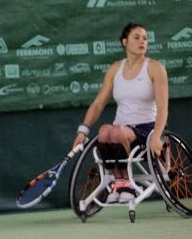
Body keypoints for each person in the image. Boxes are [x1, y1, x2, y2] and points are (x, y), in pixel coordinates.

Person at [72, 22, 168, 204]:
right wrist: (82, 131)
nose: (142, 41)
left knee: (115, 131)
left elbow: (163, 108)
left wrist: (157, 135)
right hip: (122, 128)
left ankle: (127, 183)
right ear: (125, 42)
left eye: (145, 38)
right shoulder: (115, 69)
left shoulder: (155, 68)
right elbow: (98, 104)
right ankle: (119, 181)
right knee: (103, 131)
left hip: (147, 127)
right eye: (137, 37)